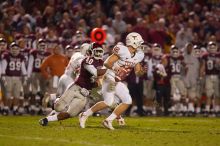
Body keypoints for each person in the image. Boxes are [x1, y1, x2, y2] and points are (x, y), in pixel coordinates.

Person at [79, 32, 146, 130]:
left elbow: (137, 72)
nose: (140, 45)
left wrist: (141, 72)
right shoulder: (122, 50)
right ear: (134, 42)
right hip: (109, 77)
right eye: (139, 42)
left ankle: (108, 120)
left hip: (117, 80)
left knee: (127, 100)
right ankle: (84, 115)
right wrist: (117, 68)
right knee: (108, 102)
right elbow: (107, 63)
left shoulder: (139, 55)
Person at [39, 42, 105, 126]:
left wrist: (94, 87)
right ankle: (55, 101)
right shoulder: (85, 59)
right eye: (97, 51)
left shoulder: (99, 63)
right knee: (59, 107)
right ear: (90, 51)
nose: (99, 54)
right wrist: (109, 70)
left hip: (81, 91)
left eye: (100, 51)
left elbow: (97, 80)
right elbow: (94, 72)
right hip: (75, 85)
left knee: (70, 114)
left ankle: (47, 119)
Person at [1, 42, 27, 115]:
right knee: (7, 94)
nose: (15, 50)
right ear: (10, 49)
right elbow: (3, 67)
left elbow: (23, 68)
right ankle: (6, 108)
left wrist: (25, 77)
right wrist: (3, 77)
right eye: (13, 49)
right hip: (8, 77)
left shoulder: (21, 57)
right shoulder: (6, 56)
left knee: (16, 94)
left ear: (19, 49)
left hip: (18, 77)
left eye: (16, 49)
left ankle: (15, 109)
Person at [200, 41, 220, 116]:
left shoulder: (218, 55)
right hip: (208, 76)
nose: (212, 49)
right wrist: (201, 76)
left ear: (216, 48)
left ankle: (217, 110)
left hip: (217, 76)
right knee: (208, 94)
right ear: (208, 47)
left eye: (213, 47)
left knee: (217, 94)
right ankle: (207, 110)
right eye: (211, 47)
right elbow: (203, 66)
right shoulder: (205, 56)